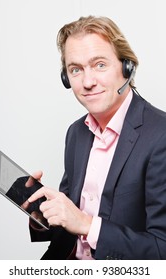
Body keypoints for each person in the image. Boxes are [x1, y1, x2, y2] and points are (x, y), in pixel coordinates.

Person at [27, 15, 166, 260]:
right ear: (65, 78)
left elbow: (161, 249)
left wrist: (87, 224)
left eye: (100, 65)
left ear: (127, 67)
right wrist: (42, 215)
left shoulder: (161, 135)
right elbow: (70, 227)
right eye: (76, 69)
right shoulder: (76, 132)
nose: (88, 82)